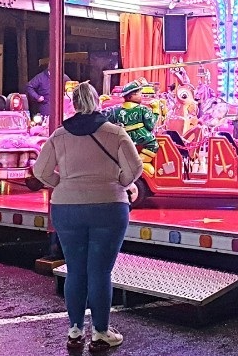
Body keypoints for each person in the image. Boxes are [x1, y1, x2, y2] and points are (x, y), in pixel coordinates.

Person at [32, 81, 142, 352]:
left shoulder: (59, 135)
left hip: (67, 209)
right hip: (109, 208)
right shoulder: (115, 132)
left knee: (75, 269)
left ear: (74, 104)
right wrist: (120, 182)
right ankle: (101, 333)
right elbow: (134, 167)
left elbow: (40, 171)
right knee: (100, 271)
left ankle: (75, 331)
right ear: (97, 101)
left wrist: (63, 184)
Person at [105, 79, 159, 175]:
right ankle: (139, 163)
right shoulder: (143, 109)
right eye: (138, 93)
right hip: (140, 136)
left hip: (122, 137)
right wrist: (156, 110)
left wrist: (101, 101)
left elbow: (104, 118)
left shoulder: (115, 110)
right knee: (153, 144)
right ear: (130, 96)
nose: (141, 95)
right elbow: (150, 125)